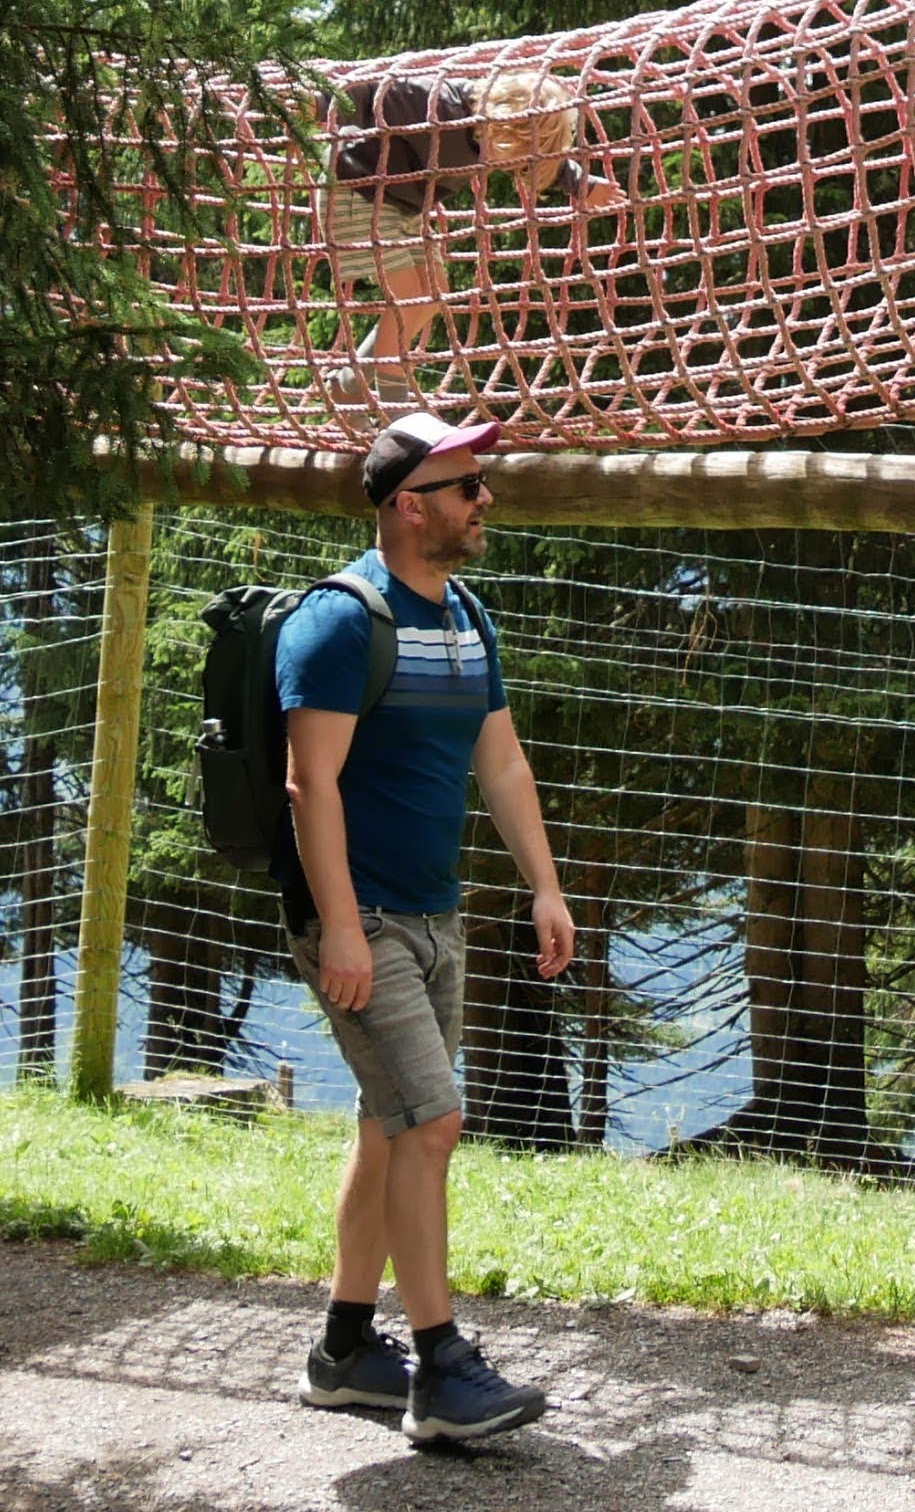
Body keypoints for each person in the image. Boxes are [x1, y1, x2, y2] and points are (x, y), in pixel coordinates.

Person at [282, 408, 577, 1447]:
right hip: (359, 918)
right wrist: (339, 931)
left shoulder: (465, 615)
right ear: (408, 505)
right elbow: (308, 782)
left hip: (436, 913)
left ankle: (346, 1349)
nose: (483, 497)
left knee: (389, 1121)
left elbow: (501, 760)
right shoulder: (337, 620)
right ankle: (442, 1367)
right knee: (431, 1122)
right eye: (465, 485)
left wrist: (544, 884)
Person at [322, 69, 625, 392]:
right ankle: (394, 403)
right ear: (503, 120)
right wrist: (320, 103)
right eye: (514, 150)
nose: (508, 163)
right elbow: (370, 93)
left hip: (402, 202)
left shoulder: (496, 130)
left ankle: (348, 385)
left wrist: (581, 184)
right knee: (408, 296)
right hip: (356, 184)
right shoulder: (437, 103)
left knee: (433, 292)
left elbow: (542, 160)